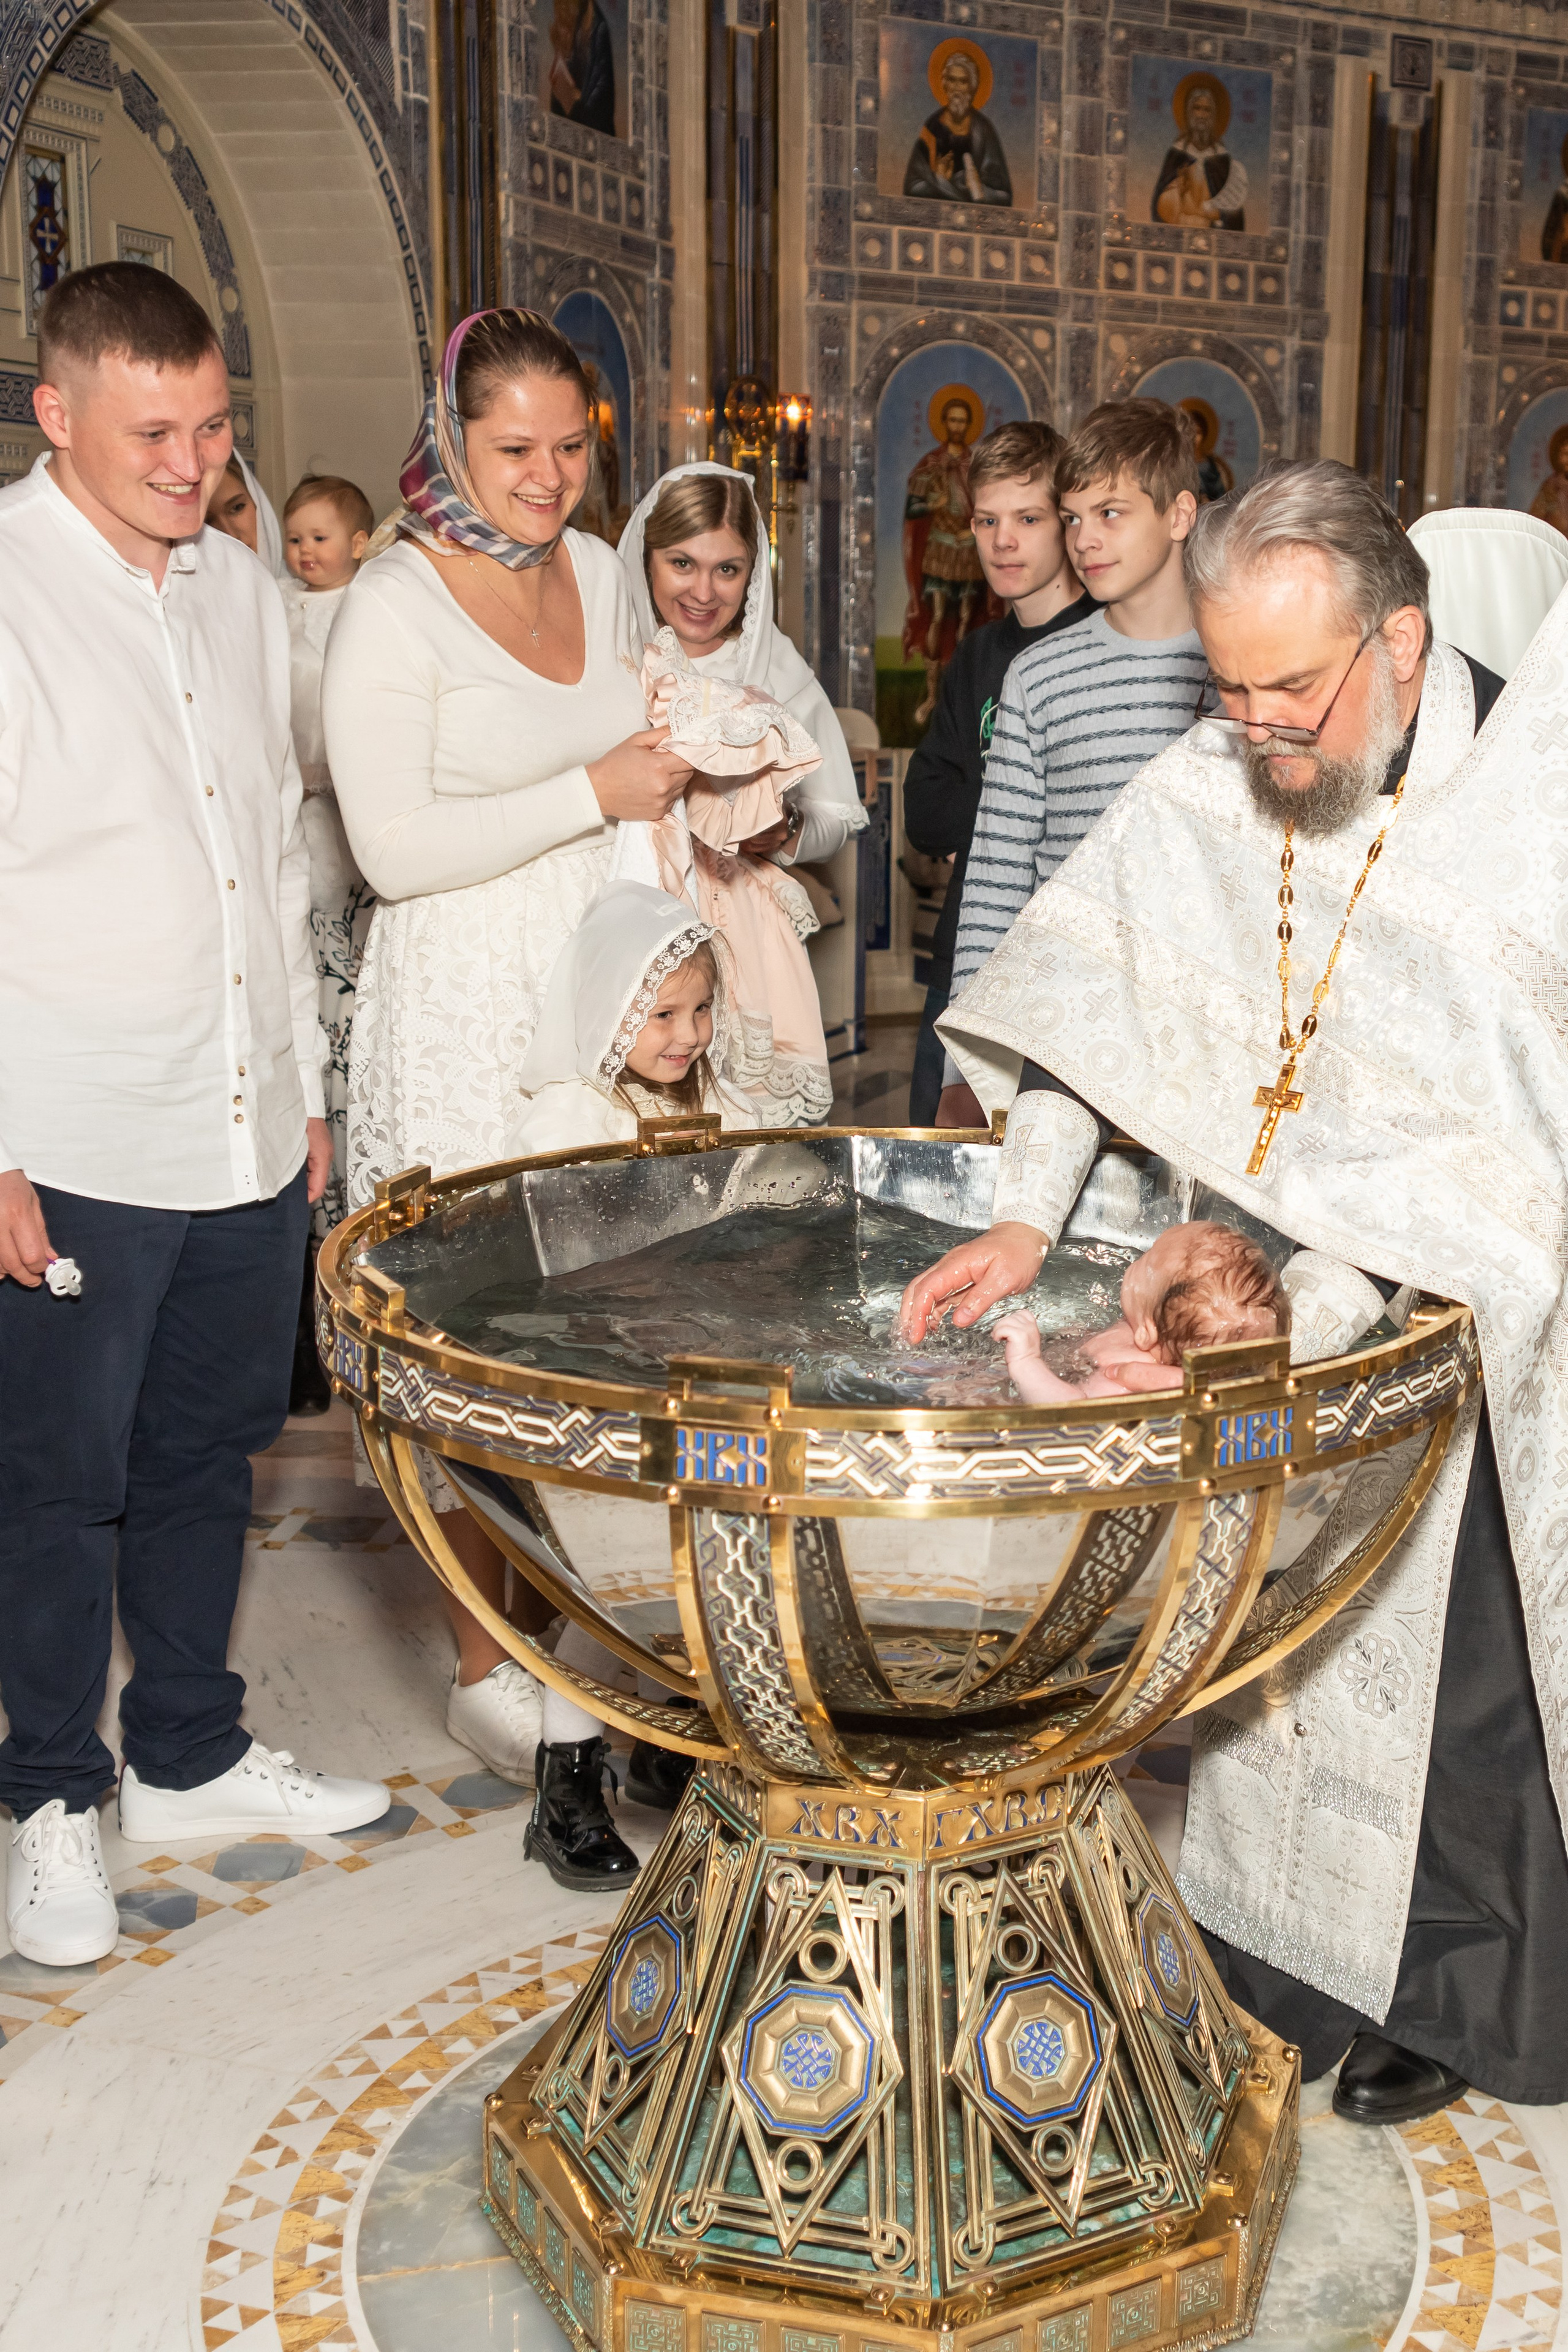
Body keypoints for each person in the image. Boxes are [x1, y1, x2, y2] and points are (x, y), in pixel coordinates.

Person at [902, 459, 1568, 2125]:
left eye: (1290, 688)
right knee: (1284, 1650)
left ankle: (1460, 1990)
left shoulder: (1532, 805)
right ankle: (1293, 1953)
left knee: (1456, 1667)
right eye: (1229, 685)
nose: (1256, 726)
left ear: (1401, 642)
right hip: (1269, 1305)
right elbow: (1089, 1009)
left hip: (1465, 1303)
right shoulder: (1222, 777)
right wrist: (1030, 1219)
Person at [0, 262, 390, 1968]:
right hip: (73, 1121)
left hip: (241, 1121)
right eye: (154, 430)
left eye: (216, 425)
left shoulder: (241, 588)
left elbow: (271, 853)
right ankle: (47, 1801)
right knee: (55, 1484)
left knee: (202, 1453)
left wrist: (302, 1084)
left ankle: (187, 1755)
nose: (193, 460)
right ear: (56, 412)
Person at [323, 307, 692, 1827]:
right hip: (459, 996)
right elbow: (388, 848)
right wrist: (584, 786)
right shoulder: (389, 607)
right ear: (451, 437)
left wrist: (678, 863)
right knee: (475, 1349)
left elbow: (637, 768)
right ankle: (492, 1668)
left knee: (602, 1336)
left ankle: (607, 1642)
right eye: (512, 449)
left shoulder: (603, 572)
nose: (547, 478)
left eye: (569, 447)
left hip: (590, 982)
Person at [514, 883, 756, 1881]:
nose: (687, 1034)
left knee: (700, 1572)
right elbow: (554, 1255)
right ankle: (566, 1781)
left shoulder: (716, 1099)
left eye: (701, 1011)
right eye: (661, 1015)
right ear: (611, 1011)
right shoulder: (572, 1113)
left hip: (696, 1372)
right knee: (607, 1588)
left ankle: (669, 1747)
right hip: (602, 1384)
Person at [935, 399, 1205, 1128]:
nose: (1085, 539)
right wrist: (969, 1060)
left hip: (1200, 1028)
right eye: (1075, 516)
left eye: (1111, 513)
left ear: (1179, 515)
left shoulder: (1234, 660)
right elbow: (997, 870)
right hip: (1064, 1020)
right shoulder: (1039, 673)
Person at [619, 462, 867, 1121]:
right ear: (647, 556)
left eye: (727, 569)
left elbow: (836, 815)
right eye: (682, 563)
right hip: (631, 910)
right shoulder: (611, 656)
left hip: (741, 932)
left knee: (742, 1136)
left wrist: (782, 834)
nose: (704, 591)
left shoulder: (771, 665)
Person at [903, 420, 1091, 1124]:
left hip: (1066, 962)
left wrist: (979, 814)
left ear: (1065, 526)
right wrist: (1025, 807)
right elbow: (923, 809)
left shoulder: (1105, 641)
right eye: (986, 520)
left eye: (1027, 519)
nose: (1002, 541)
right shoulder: (977, 655)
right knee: (937, 1168)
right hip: (966, 954)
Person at [277, 472, 377, 1414]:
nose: (305, 553)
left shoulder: (368, 615)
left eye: (321, 538)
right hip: (295, 831)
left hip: (354, 830)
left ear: (356, 542)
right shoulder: (273, 611)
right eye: (294, 538)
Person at [994, 1223, 1289, 1402]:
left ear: (1148, 1330)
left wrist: (1026, 1361)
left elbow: (1071, 1411)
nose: (1141, 1255)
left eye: (1150, 1256)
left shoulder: (1126, 1376)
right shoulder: (1148, 1329)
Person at [902, 393, 991, 725]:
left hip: (967, 548)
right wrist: (933, 504)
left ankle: (961, 697)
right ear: (944, 424)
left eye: (962, 421)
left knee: (968, 618)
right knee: (938, 617)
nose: (957, 427)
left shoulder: (978, 467)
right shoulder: (930, 465)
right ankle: (932, 696)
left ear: (969, 426)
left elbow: (992, 507)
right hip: (940, 548)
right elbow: (912, 508)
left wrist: (978, 529)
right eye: (952, 420)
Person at [903, 45, 1013, 205]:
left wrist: (978, 188)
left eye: (963, 82)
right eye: (952, 80)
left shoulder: (983, 130)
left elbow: (1004, 196)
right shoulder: (932, 129)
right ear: (945, 84)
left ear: (972, 88)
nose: (957, 89)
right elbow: (912, 187)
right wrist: (938, 180)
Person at [1152, 76, 1248, 230]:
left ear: (1214, 115)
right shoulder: (1177, 154)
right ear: (1188, 112)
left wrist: (1216, 217)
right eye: (1197, 108)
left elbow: (1234, 213)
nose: (1201, 116)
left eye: (1207, 110)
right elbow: (1160, 208)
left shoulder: (1222, 160)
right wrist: (1178, 190)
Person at [204, 449, 288, 578]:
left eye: (237, 508)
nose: (231, 534)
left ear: (258, 501)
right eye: (208, 522)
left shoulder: (311, 591)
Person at [546, 0, 616, 136]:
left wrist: (581, 98)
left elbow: (603, 89)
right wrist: (562, 54)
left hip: (596, 124)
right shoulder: (579, 24)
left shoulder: (600, 30)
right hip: (579, 109)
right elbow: (574, 67)